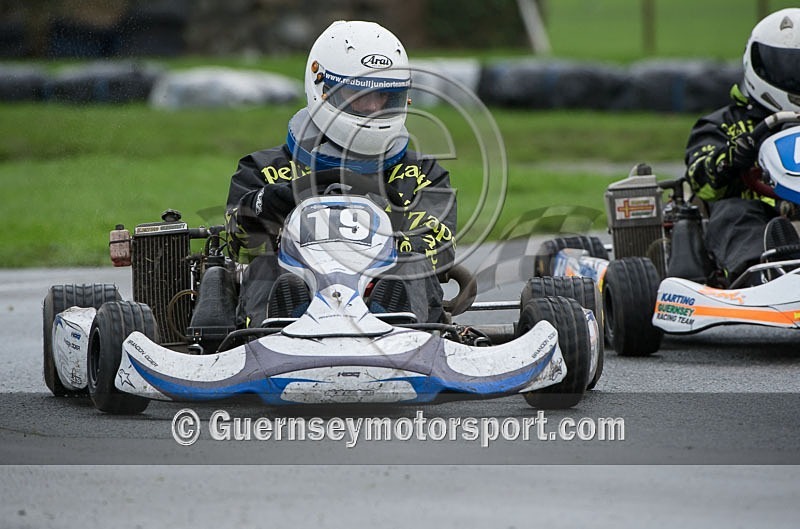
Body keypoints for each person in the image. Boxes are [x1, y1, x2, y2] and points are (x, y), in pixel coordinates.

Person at [223, 20, 456, 327]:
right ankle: (276, 336)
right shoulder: (265, 170)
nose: (374, 106)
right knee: (265, 264)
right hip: (298, 293)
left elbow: (437, 250)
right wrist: (275, 203)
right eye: (358, 94)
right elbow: (240, 244)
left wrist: (376, 216)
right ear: (324, 89)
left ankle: (399, 330)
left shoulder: (421, 173)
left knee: (411, 265)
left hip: (382, 305)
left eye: (385, 96)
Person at [684, 8, 800, 285]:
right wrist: (732, 157)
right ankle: (763, 279)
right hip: (758, 227)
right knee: (733, 211)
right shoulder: (721, 125)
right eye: (788, 69)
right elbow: (702, 184)